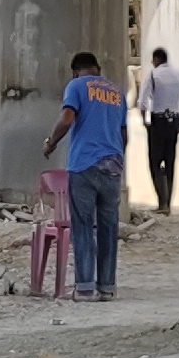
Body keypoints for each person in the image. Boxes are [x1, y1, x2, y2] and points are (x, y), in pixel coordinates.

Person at [49, 47, 130, 300]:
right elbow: (124, 134)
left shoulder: (76, 87)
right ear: (99, 70)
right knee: (108, 228)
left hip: (83, 166)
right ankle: (107, 287)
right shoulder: (117, 92)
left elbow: (67, 118)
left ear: (75, 72)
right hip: (112, 166)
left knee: (83, 227)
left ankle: (84, 288)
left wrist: (51, 143)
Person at [138, 42, 179, 213]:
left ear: (156, 59)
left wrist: (145, 121)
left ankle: (161, 203)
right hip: (174, 121)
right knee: (170, 162)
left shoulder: (153, 75)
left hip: (158, 121)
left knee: (155, 162)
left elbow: (142, 102)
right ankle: (168, 203)